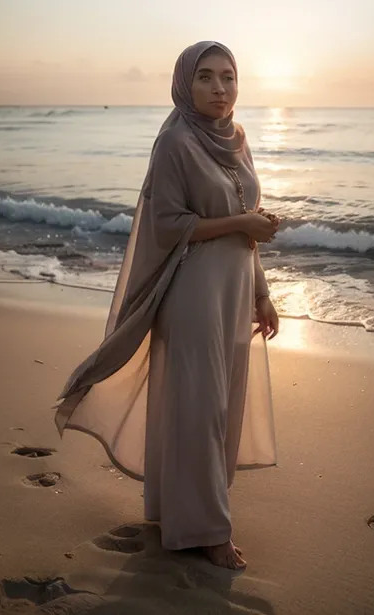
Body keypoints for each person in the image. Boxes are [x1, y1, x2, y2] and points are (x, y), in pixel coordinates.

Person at [55, 41, 279, 570]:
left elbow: (248, 215)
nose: (220, 89)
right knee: (199, 409)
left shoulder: (238, 138)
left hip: (233, 292)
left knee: (220, 406)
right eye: (206, 77)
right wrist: (242, 226)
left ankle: (176, 508)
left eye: (228, 76)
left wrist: (263, 292)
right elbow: (170, 225)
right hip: (194, 293)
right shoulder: (176, 142)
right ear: (185, 83)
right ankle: (207, 531)